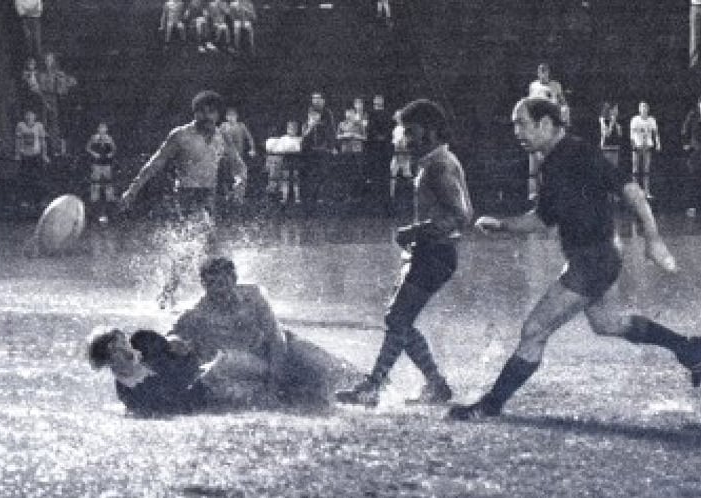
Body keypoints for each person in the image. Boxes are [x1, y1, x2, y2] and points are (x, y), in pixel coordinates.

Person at [447, 98, 701, 421]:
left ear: (545, 124)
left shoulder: (577, 153)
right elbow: (543, 219)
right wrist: (503, 226)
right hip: (597, 257)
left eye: (521, 123)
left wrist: (653, 240)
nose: (517, 132)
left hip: (593, 260)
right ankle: (687, 348)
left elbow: (632, 190)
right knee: (608, 323)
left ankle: (490, 406)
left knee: (534, 330)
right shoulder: (553, 162)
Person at [336, 99, 474, 407]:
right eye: (405, 133)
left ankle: (374, 387)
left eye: (412, 132)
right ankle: (435, 384)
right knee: (400, 319)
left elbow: (462, 216)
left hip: (435, 254)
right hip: (429, 252)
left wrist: (416, 231)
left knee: (397, 317)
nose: (407, 141)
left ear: (432, 131)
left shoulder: (440, 165)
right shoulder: (434, 161)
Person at [169, 257, 359, 408]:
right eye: (213, 284)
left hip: (284, 346)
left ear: (234, 280)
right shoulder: (197, 314)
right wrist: (175, 342)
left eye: (224, 282)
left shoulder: (254, 296)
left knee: (325, 366)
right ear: (204, 285)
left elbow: (278, 340)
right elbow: (171, 337)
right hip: (255, 360)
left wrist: (274, 385)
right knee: (225, 364)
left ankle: (365, 383)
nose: (220, 290)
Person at [121, 90, 246, 218]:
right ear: (195, 113)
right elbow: (155, 163)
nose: (207, 116)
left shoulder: (223, 136)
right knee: (194, 231)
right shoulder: (181, 135)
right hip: (186, 192)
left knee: (208, 233)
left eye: (211, 112)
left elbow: (238, 164)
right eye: (202, 111)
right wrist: (132, 190)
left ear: (218, 115)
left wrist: (240, 182)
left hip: (210, 192)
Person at [87, 327, 210, 417]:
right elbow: (175, 407)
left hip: (196, 367)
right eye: (118, 350)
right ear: (109, 362)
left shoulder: (143, 340)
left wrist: (176, 344)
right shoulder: (127, 393)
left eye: (125, 342)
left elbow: (175, 347)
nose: (127, 349)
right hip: (200, 392)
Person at [527, 63, 568, 199]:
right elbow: (529, 104)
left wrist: (565, 113)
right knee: (535, 159)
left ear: (549, 73)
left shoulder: (555, 85)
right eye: (541, 72)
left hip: (551, 124)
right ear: (538, 73)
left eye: (545, 72)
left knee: (553, 156)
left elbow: (563, 103)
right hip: (536, 124)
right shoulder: (533, 86)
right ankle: (535, 193)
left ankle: (555, 192)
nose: (543, 74)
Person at [36, 52, 76, 157]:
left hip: (54, 99)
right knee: (42, 122)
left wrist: (64, 81)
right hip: (42, 98)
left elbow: (68, 84)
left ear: (53, 61)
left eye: (50, 60)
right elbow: (37, 87)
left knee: (55, 123)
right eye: (46, 60)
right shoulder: (40, 74)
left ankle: (56, 149)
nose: (48, 62)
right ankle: (42, 149)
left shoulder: (58, 73)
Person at [85, 122, 117, 219]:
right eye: (100, 128)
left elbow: (114, 149)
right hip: (96, 162)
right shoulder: (94, 138)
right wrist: (94, 153)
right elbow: (87, 148)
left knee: (108, 181)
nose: (102, 130)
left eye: (104, 128)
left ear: (106, 129)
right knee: (95, 182)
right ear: (98, 129)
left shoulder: (109, 138)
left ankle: (110, 199)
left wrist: (110, 154)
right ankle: (94, 200)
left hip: (106, 162)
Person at [629, 100, 661, 194]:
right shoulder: (635, 119)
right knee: (635, 170)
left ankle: (646, 191)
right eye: (642, 107)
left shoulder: (651, 120)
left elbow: (655, 133)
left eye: (645, 107)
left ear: (648, 109)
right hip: (637, 146)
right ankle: (635, 192)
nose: (643, 109)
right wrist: (633, 145)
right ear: (639, 109)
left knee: (646, 170)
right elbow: (631, 133)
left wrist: (658, 143)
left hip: (647, 147)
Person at [598, 102, 623, 167]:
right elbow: (607, 134)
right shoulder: (603, 121)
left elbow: (620, 135)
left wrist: (618, 129)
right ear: (610, 110)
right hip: (606, 148)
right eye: (616, 109)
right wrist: (612, 124)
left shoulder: (616, 122)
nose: (617, 111)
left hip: (614, 148)